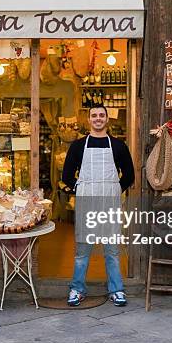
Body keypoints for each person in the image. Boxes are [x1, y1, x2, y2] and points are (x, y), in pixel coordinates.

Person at [61, 105, 135, 306]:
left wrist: (114, 189)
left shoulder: (119, 146)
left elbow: (129, 175)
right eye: (94, 115)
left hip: (110, 201)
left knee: (111, 249)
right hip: (87, 202)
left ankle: (116, 289)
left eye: (101, 115)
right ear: (89, 119)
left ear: (106, 120)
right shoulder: (77, 146)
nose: (98, 119)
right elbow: (66, 176)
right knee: (82, 251)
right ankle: (77, 289)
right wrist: (82, 188)